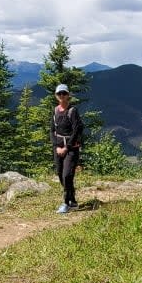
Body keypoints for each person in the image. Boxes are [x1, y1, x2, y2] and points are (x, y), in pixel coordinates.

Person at [50, 84, 84, 214]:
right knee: (60, 174)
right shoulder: (55, 111)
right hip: (58, 148)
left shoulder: (72, 111)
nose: (62, 96)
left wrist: (67, 147)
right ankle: (73, 200)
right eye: (59, 94)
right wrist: (57, 146)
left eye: (64, 93)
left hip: (71, 148)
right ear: (56, 95)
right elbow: (52, 130)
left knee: (67, 175)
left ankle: (65, 203)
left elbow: (77, 130)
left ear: (68, 95)